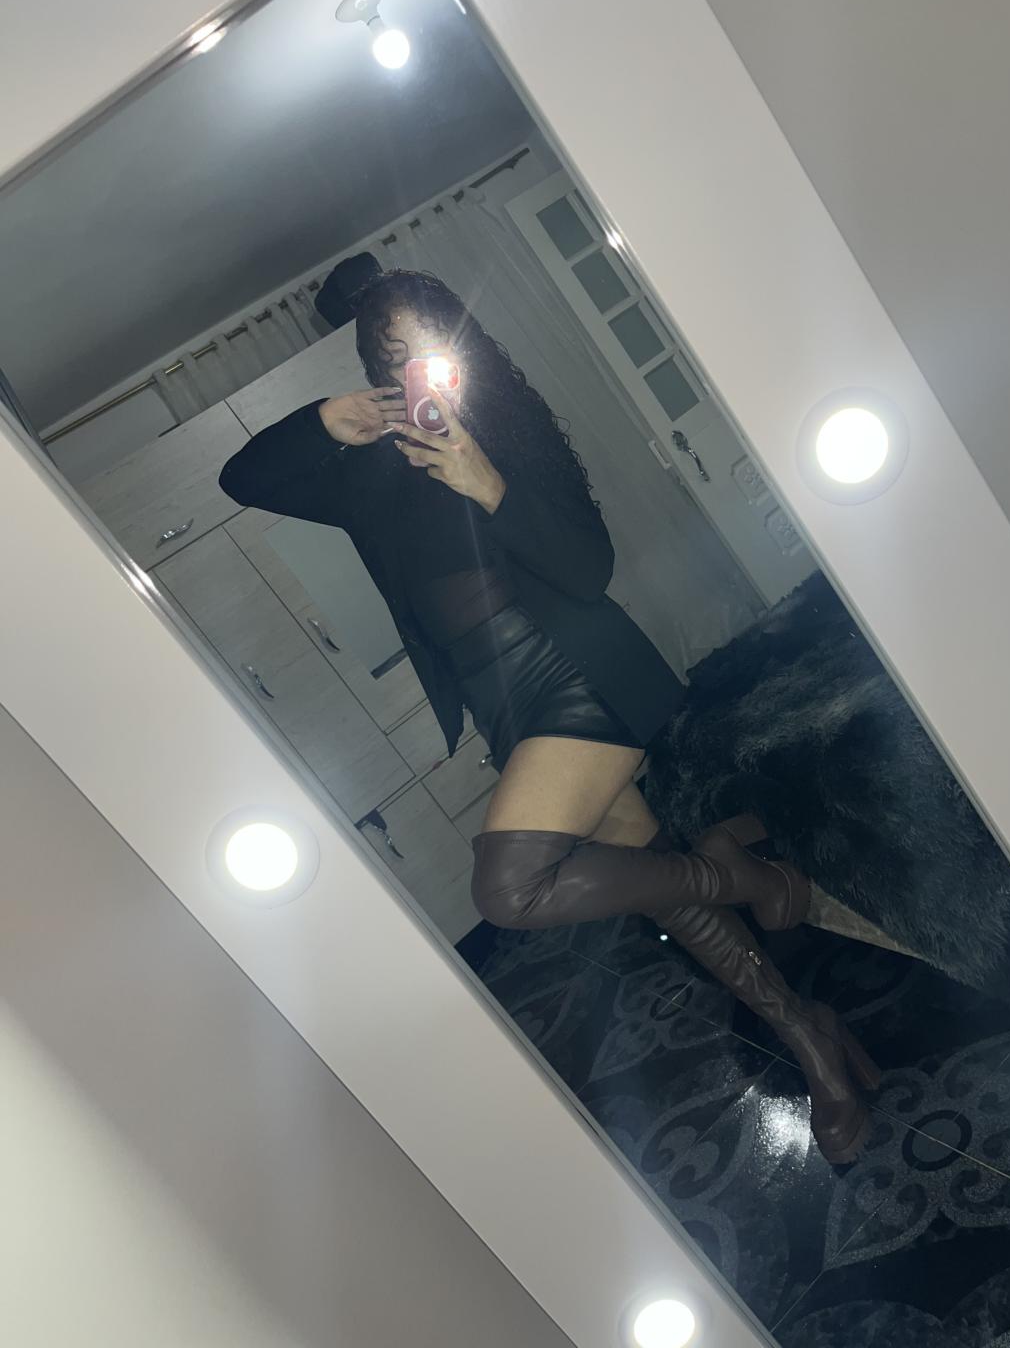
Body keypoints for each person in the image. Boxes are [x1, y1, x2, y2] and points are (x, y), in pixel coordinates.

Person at [219, 268, 879, 1162]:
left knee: (510, 888)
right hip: (505, 707)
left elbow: (588, 570)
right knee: (654, 874)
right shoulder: (366, 471)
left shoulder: (510, 437)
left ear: (461, 351)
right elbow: (242, 477)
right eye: (390, 353)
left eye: (426, 346)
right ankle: (809, 1035)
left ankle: (751, 881)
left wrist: (487, 482)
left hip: (575, 677)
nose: (410, 365)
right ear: (375, 368)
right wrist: (323, 423)